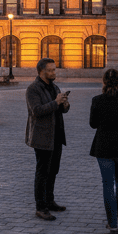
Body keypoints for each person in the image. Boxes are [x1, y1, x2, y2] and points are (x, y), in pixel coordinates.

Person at [89, 68, 118, 234]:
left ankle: (112, 223)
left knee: (108, 184)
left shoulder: (97, 100)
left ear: (103, 81)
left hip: (104, 146)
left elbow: (93, 124)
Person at [25, 58, 71, 220]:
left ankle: (50, 201)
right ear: (41, 71)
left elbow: (60, 108)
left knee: (53, 171)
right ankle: (40, 207)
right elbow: (36, 110)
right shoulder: (33, 89)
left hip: (56, 136)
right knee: (42, 172)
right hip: (42, 136)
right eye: (50, 70)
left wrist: (64, 104)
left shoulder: (55, 87)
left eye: (54, 70)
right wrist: (55, 102)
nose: (53, 73)